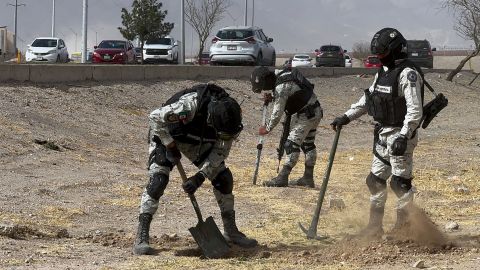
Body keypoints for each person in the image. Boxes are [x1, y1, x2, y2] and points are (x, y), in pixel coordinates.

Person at [133, 83, 258, 255]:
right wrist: (169, 145)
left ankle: (231, 231)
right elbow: (155, 117)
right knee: (158, 181)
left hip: (196, 140)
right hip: (166, 133)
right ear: (210, 120)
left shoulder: (230, 118)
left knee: (224, 179)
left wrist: (200, 177)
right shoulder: (189, 106)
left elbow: (221, 151)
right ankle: (142, 235)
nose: (224, 138)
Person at [330, 27, 424, 237]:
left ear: (394, 50)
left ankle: (405, 228)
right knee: (375, 181)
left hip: (401, 135)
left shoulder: (408, 74)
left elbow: (415, 110)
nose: (380, 58)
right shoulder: (382, 73)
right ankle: (374, 227)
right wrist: (346, 116)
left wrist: (404, 134)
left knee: (400, 183)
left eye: (382, 54)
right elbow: (368, 100)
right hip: (383, 135)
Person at [250, 66, 323, 188]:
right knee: (308, 144)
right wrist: (273, 97)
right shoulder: (282, 75)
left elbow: (277, 112)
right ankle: (308, 178)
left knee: (291, 145)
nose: (264, 89)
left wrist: (267, 128)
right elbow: (292, 93)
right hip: (314, 111)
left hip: (306, 115)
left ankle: (282, 177)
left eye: (263, 86)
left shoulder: (281, 86)